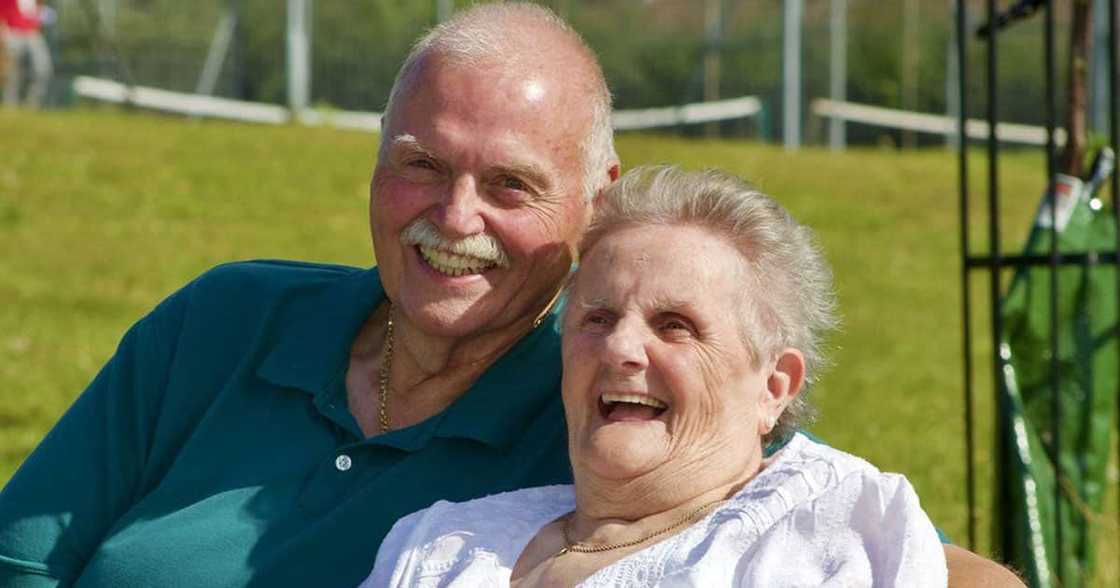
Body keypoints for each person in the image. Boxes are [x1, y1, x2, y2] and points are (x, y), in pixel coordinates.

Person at [0, 3, 1021, 586]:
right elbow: (24, 558)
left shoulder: (604, 402)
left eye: (510, 185)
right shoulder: (228, 320)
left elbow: (911, 559)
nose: (453, 217)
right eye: (420, 164)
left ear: (594, 200)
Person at [364, 165, 948, 586]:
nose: (620, 348)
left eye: (675, 326)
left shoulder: (829, 526)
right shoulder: (440, 545)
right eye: (597, 317)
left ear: (774, 387)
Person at [0, 0, 53, 108]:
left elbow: (41, 9)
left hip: (33, 33)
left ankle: (32, 105)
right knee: (13, 73)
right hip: (13, 33)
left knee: (42, 69)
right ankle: (10, 106)